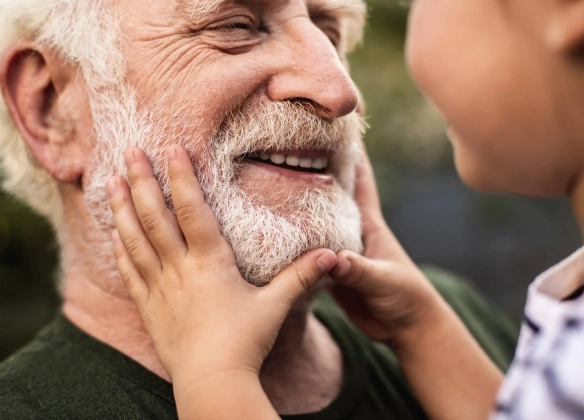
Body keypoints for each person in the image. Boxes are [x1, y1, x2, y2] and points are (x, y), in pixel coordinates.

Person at [0, 0, 517, 418]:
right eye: (236, 24)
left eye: (328, 29)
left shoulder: (456, 318)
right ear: (51, 109)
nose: (339, 91)